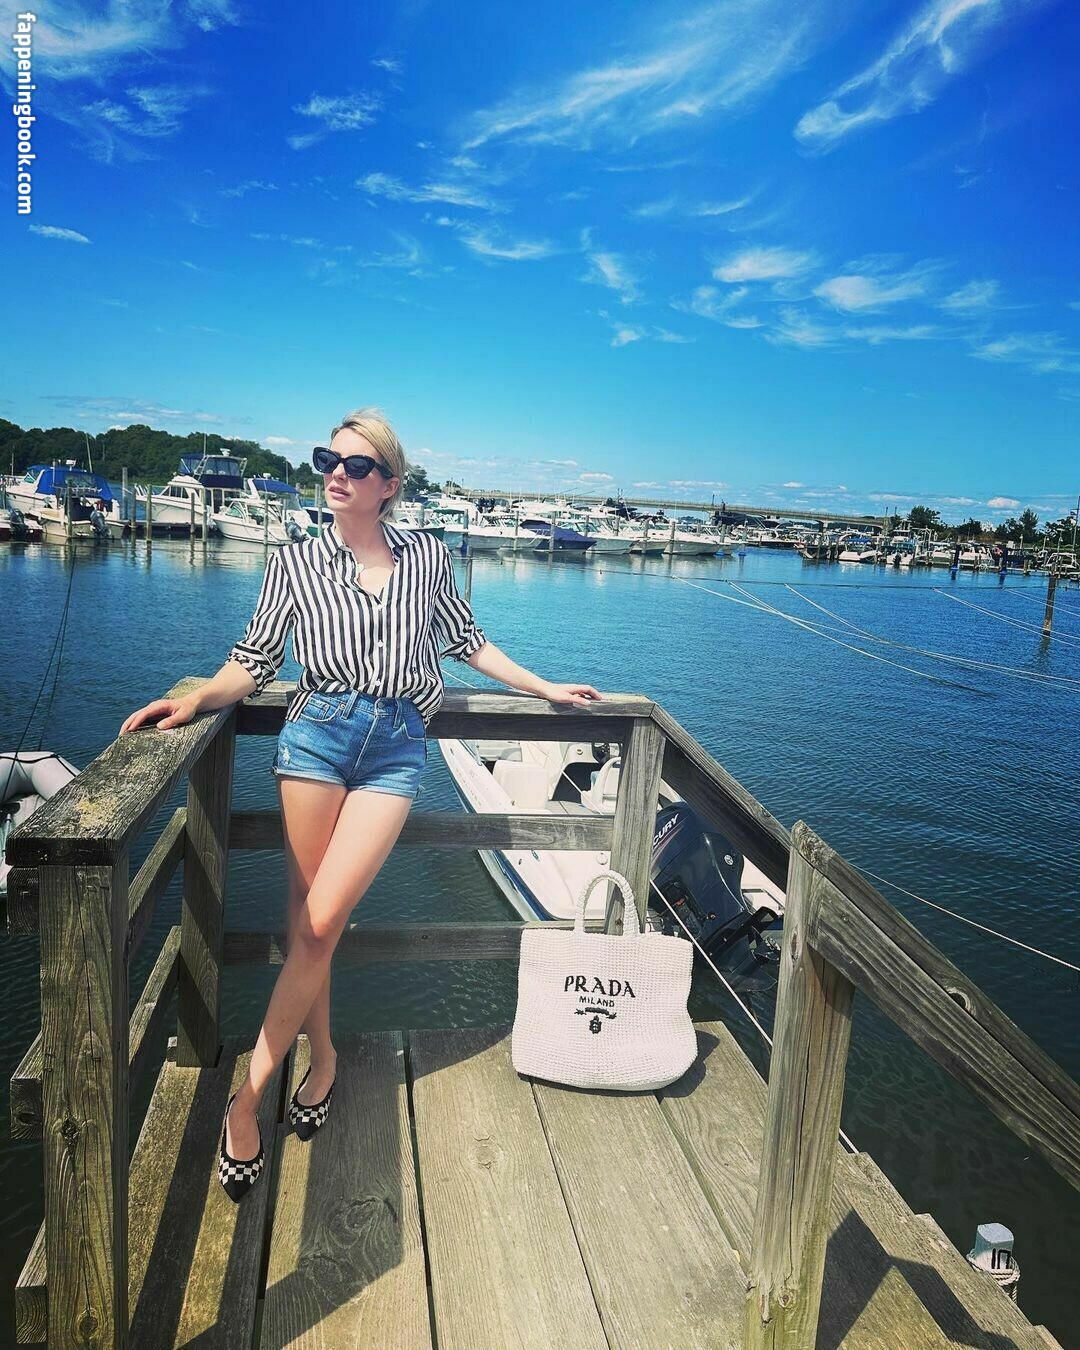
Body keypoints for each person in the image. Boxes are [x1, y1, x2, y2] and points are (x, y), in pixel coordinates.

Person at [120, 407, 601, 1201]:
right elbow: (254, 658)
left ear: (390, 485)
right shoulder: (295, 561)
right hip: (315, 737)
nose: (337, 474)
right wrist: (198, 698)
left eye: (357, 465)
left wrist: (544, 686)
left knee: (317, 924)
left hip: (396, 747)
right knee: (310, 922)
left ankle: (246, 1098)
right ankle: (324, 1062)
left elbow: (467, 642)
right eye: (329, 460)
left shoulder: (428, 558)